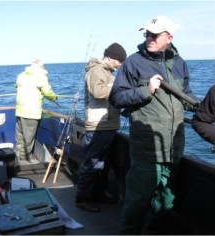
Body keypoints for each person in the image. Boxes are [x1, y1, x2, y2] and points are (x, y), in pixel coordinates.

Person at [109, 16, 199, 234]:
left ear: (169, 37)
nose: (149, 38)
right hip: (146, 149)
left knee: (166, 201)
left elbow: (186, 97)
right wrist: (145, 90)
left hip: (174, 148)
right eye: (146, 34)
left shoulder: (180, 64)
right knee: (137, 201)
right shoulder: (133, 62)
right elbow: (116, 98)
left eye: (154, 34)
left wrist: (204, 108)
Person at [75, 43, 127, 212]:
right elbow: (98, 92)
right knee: (92, 164)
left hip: (107, 125)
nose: (120, 64)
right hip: (98, 126)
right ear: (109, 57)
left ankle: (98, 194)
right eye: (118, 60)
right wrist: (120, 91)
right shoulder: (96, 70)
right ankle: (82, 199)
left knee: (103, 164)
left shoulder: (107, 72)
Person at [15, 60, 57, 161]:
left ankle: (18, 153)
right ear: (41, 67)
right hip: (31, 111)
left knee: (20, 135)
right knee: (29, 136)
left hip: (20, 110)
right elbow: (47, 92)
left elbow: (16, 86)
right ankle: (25, 156)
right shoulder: (41, 76)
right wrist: (54, 98)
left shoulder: (21, 75)